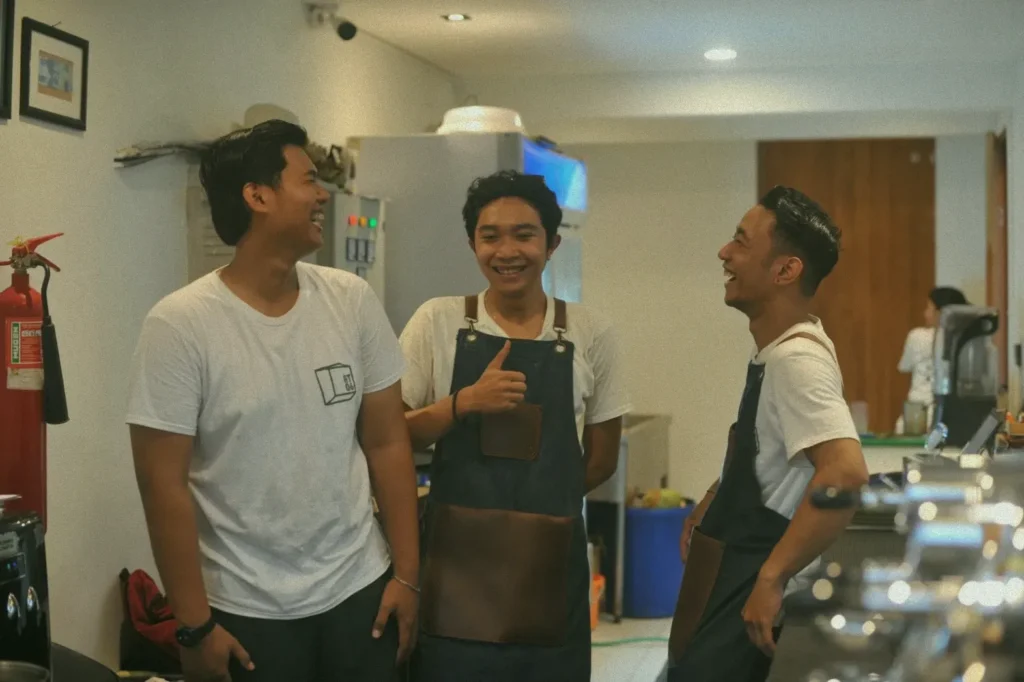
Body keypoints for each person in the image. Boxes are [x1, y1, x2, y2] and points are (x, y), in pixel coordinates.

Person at [125, 120, 420, 682]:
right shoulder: (180, 324)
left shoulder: (351, 301)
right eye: (308, 180)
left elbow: (387, 442)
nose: (322, 195)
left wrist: (407, 576)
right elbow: (162, 486)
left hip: (360, 592)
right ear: (257, 196)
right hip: (244, 610)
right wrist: (194, 625)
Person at [398, 170, 633, 682]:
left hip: (548, 567)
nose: (506, 251)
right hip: (455, 566)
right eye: (490, 236)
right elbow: (391, 437)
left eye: (524, 235)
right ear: (472, 244)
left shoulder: (592, 332)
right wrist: (462, 403)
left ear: (552, 244)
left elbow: (602, 458)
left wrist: (537, 511)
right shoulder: (437, 321)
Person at [668, 186, 870, 682]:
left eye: (741, 241)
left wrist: (772, 577)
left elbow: (844, 474)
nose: (724, 252)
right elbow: (765, 451)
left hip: (747, 591)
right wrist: (713, 498)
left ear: (786, 270)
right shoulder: (776, 351)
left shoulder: (796, 360)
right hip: (727, 578)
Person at [895, 286, 968, 432]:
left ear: (941, 313)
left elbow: (904, 366)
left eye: (929, 308)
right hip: (950, 416)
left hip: (915, 413)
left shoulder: (917, 336)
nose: (925, 313)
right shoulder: (964, 341)